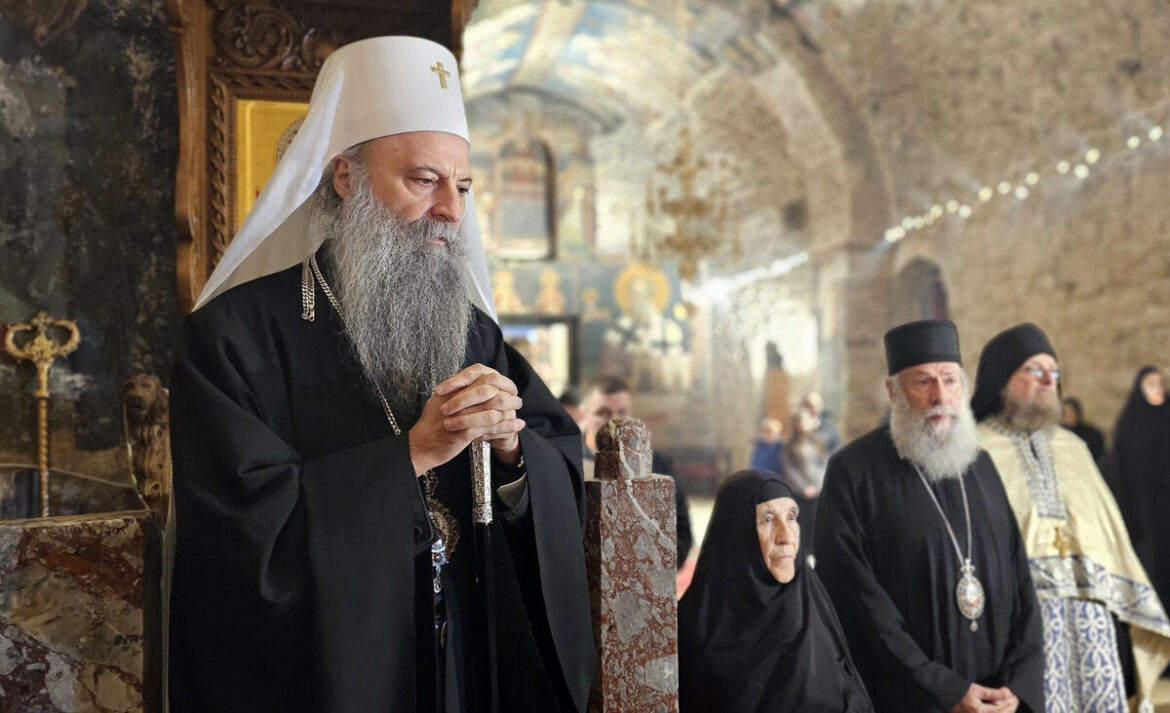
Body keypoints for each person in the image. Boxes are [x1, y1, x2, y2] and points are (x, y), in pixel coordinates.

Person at [168, 37, 594, 713]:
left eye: (463, 186)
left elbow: (558, 459)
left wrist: (513, 451)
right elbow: (238, 537)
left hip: (463, 672)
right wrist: (414, 453)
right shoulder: (231, 337)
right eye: (424, 180)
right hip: (335, 680)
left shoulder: (472, 331)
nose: (452, 209)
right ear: (346, 177)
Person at [816, 319, 1044, 713]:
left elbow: (1021, 579)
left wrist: (1019, 681)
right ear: (893, 391)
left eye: (950, 380)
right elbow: (856, 600)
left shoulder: (981, 466)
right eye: (923, 382)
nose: (941, 395)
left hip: (998, 699)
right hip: (910, 699)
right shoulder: (853, 473)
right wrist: (939, 687)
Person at [972, 324, 1170, 711]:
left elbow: (1107, 532)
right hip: (1017, 620)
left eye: (1055, 372)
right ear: (1000, 380)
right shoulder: (976, 449)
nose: (1049, 380)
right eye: (1035, 369)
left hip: (1090, 614)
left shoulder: (1073, 447)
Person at [678, 470, 873, 713]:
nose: (787, 537)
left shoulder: (811, 602)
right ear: (738, 532)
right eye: (767, 519)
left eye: (792, 517)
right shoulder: (695, 628)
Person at [581, 375, 694, 567]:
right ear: (584, 414)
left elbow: (681, 531)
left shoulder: (659, 465)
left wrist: (652, 568)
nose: (614, 421)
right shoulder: (568, 463)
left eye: (621, 412)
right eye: (603, 413)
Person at [1106, 367, 1170, 618]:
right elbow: (1121, 470)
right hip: (1144, 511)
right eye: (1151, 383)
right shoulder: (1131, 422)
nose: (1157, 388)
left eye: (1160, 383)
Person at [783, 409, 827, 559]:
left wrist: (817, 485)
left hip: (816, 490)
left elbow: (823, 464)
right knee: (800, 523)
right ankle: (801, 554)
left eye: (806, 420)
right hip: (799, 491)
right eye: (800, 421)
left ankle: (814, 553)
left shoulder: (816, 442)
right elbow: (789, 468)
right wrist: (803, 487)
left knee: (815, 523)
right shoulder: (789, 444)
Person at [1060, 397, 1106, 465]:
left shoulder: (1092, 434)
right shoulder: (1059, 433)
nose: (1068, 416)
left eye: (1070, 413)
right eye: (1065, 413)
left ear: (1077, 413)